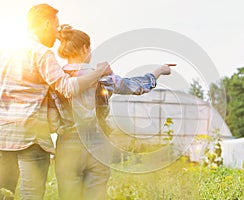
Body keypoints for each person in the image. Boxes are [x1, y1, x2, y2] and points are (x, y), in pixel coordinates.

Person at [0, 4, 112, 200]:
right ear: (45, 23)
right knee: (31, 195)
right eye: (55, 26)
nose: (56, 32)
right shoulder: (42, 53)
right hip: (30, 136)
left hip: (3, 135)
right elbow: (68, 88)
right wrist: (98, 72)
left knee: (4, 192)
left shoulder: (6, 52)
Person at [51, 25, 173, 200]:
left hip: (67, 143)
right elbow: (138, 85)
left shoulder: (56, 79)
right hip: (97, 143)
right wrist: (160, 70)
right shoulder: (103, 77)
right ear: (85, 48)